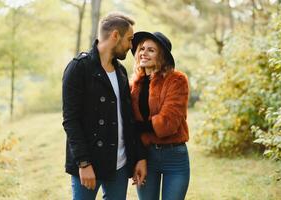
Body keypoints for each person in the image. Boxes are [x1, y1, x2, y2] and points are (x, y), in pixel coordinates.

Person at [62, 12, 146, 200]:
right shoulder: (78, 68)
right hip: (90, 163)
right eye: (130, 39)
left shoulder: (121, 72)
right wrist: (83, 163)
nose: (131, 46)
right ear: (115, 35)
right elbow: (71, 121)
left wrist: (139, 157)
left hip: (120, 165)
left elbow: (129, 118)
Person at [130, 31, 190, 200]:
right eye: (142, 49)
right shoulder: (134, 85)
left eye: (151, 50)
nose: (144, 53)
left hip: (175, 157)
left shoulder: (177, 80)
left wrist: (137, 127)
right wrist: (139, 156)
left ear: (162, 56)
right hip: (146, 156)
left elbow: (169, 122)